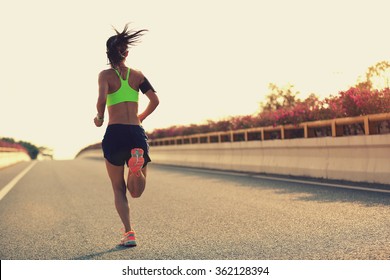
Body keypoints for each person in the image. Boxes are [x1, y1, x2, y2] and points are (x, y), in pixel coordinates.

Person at [94, 24, 159, 247]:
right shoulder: (138, 75)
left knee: (118, 188)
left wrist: (99, 117)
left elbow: (102, 98)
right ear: (126, 53)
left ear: (107, 53)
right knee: (136, 191)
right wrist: (140, 117)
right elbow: (156, 101)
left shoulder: (105, 75)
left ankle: (129, 233)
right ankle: (136, 167)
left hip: (115, 133)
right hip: (135, 134)